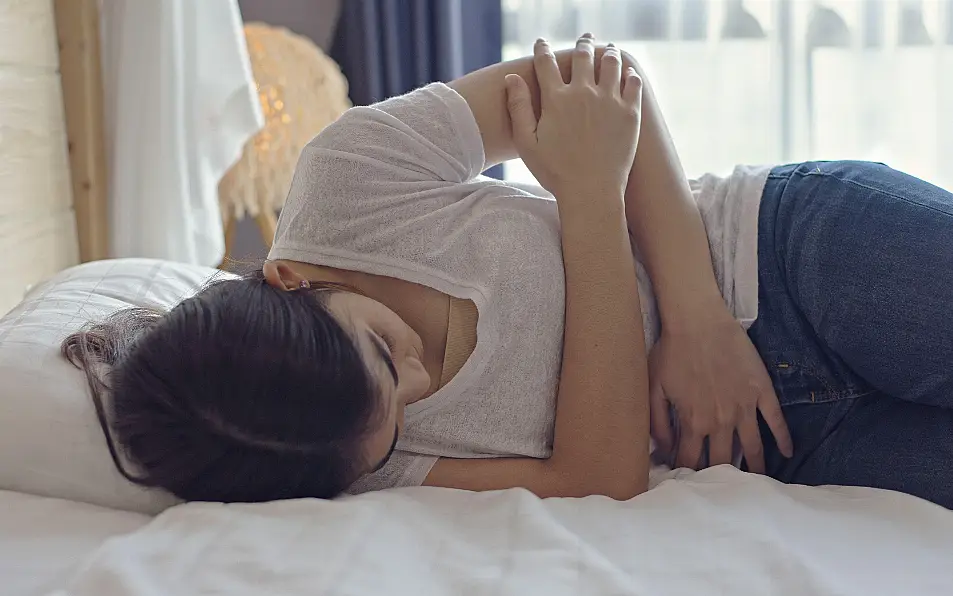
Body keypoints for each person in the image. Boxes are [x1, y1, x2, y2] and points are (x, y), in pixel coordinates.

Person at [64, 34, 953, 509]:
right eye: (397, 422)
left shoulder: (351, 179)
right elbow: (599, 480)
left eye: (381, 349)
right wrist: (588, 196)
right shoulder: (337, 453)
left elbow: (597, 87)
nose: (416, 388)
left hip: (791, 255)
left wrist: (696, 322)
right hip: (778, 442)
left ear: (288, 276)